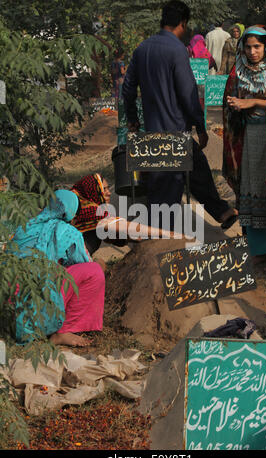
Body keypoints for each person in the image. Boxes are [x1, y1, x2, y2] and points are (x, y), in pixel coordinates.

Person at [122, 0, 237, 231]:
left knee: (196, 168)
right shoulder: (177, 51)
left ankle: (222, 212)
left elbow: (127, 89)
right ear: (183, 23)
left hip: (152, 134)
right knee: (168, 190)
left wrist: (133, 120)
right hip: (175, 134)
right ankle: (163, 241)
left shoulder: (141, 49)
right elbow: (188, 94)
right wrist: (201, 127)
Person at [223, 26, 266, 271]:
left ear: (265, 47)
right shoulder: (239, 70)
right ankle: (260, 251)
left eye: (257, 47)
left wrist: (254, 102)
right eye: (248, 46)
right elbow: (230, 98)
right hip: (249, 138)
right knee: (252, 191)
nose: (252, 52)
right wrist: (233, 104)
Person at [11, 190, 105, 347]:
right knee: (94, 272)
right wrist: (101, 264)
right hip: (36, 304)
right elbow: (84, 263)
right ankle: (63, 331)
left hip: (10, 305)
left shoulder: (24, 227)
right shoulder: (68, 232)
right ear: (70, 213)